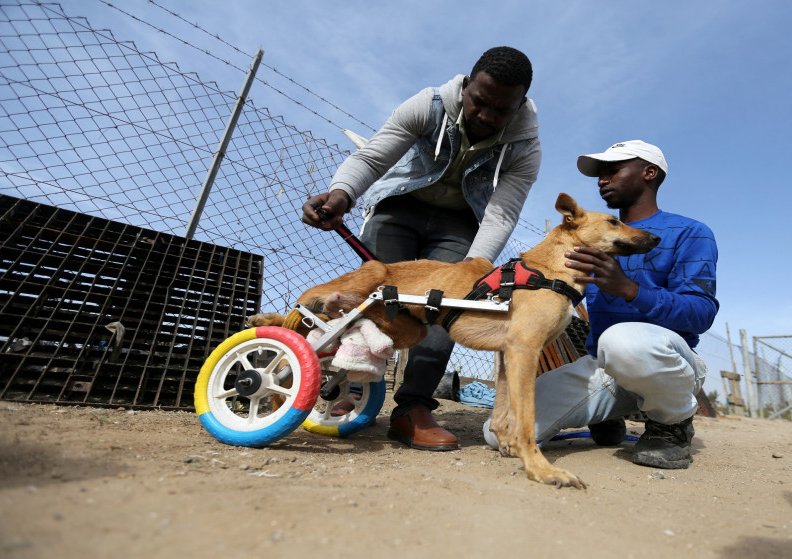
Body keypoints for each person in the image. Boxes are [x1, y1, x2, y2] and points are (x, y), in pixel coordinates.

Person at [302, 47, 541, 452]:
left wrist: (471, 269)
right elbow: (375, 156)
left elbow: (501, 214)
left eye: (500, 110)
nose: (485, 115)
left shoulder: (526, 148)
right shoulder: (427, 106)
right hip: (400, 207)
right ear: (466, 86)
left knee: (449, 312)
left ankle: (412, 408)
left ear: (518, 107)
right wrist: (343, 193)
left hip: (459, 225)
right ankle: (323, 383)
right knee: (373, 303)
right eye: (479, 101)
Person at [483, 140, 718, 469]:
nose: (602, 180)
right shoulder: (588, 236)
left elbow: (702, 314)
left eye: (614, 170)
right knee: (499, 433)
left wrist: (628, 288)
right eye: (600, 174)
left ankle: (671, 423)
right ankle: (607, 412)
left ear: (649, 173)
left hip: (667, 364)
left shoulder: (690, 233)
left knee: (622, 339)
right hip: (603, 366)